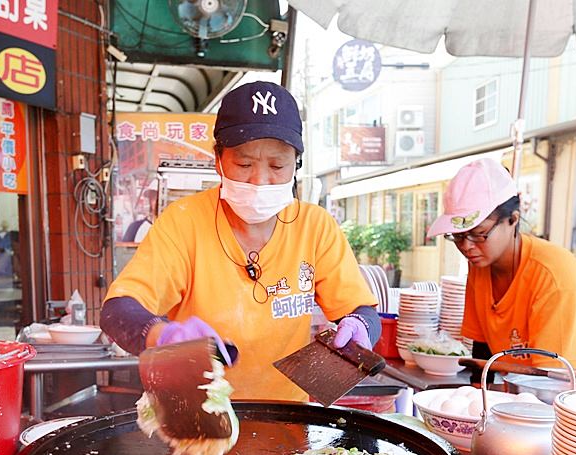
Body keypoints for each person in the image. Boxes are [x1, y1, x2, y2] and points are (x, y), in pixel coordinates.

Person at [101, 81, 380, 401]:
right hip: (198, 417)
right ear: (218, 159)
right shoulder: (184, 222)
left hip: (288, 419)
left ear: (296, 165)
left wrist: (361, 325)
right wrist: (163, 335)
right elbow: (117, 310)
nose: (260, 180)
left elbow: (361, 309)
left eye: (277, 165)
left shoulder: (314, 226)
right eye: (244, 164)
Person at [428, 158, 576, 378]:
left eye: (479, 234)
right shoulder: (480, 265)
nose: (467, 246)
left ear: (513, 219)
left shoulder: (554, 275)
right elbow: (483, 353)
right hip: (529, 388)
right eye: (458, 236)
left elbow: (554, 379)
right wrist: (477, 399)